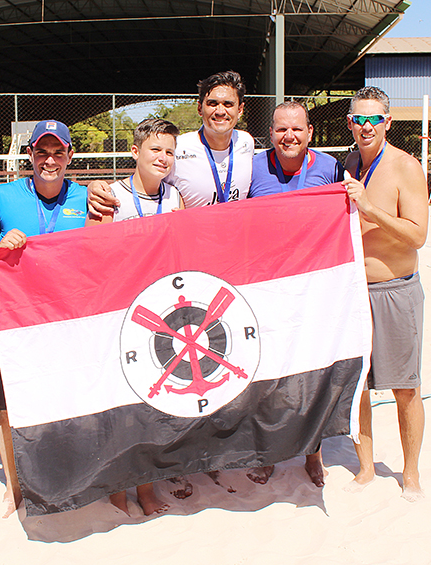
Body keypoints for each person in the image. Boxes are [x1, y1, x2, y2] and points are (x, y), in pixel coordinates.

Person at [0, 120, 87, 518]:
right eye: (42, 152)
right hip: (12, 325)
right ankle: (14, 486)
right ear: (30, 156)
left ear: (70, 156)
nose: (50, 160)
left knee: (65, 403)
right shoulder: (3, 196)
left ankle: (63, 476)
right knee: (9, 409)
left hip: (65, 325)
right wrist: (2, 246)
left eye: (58, 152)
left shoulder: (87, 198)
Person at [86, 117, 183, 515]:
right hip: (119, 315)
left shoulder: (174, 198)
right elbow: (96, 253)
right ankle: (117, 491)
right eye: (155, 149)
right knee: (120, 411)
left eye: (169, 152)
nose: (162, 158)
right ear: (135, 152)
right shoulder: (113, 196)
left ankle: (145, 488)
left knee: (149, 406)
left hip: (156, 313)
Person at [247, 99, 345, 487]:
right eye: (281, 129)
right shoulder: (252, 168)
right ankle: (272, 452)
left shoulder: (329, 168)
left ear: (309, 133)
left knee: (312, 372)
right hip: (267, 288)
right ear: (270, 133)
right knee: (270, 376)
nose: (289, 136)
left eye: (296, 129)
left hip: (313, 289)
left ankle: (313, 452)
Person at [342, 86, 429, 501]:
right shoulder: (349, 164)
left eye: (374, 118)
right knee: (358, 385)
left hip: (395, 290)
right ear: (350, 124)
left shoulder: (405, 167)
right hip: (356, 293)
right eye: (359, 119)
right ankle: (364, 467)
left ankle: (410, 473)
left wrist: (371, 209)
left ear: (387, 122)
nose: (366, 126)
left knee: (405, 388)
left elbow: (418, 236)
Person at [88, 70, 254, 216]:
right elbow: (144, 177)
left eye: (228, 104)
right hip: (194, 244)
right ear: (199, 109)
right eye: (212, 103)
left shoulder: (246, 142)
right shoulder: (177, 148)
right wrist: (96, 187)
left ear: (240, 110)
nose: (220, 111)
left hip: (235, 242)